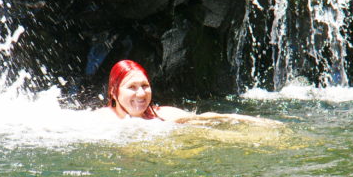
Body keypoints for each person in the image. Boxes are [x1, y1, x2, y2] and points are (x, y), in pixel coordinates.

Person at [96, 59, 277, 125]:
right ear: (113, 92)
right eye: (132, 87)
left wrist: (253, 121)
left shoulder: (161, 115)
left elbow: (206, 117)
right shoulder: (101, 120)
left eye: (145, 86)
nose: (141, 94)